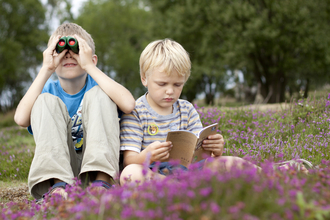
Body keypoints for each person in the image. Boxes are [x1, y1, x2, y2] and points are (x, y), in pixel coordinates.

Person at [119, 39, 312, 185]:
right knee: (129, 173)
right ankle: (178, 189)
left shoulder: (186, 109)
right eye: (162, 84)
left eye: (178, 84)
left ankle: (275, 174)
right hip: (154, 172)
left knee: (230, 161)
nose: (170, 91)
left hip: (190, 169)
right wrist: (148, 155)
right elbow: (129, 159)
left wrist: (215, 148)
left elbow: (200, 153)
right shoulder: (136, 111)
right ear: (144, 78)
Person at [14, 23, 135, 201]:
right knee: (43, 100)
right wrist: (46, 68)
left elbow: (128, 104)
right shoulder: (48, 90)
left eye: (77, 50)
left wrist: (90, 68)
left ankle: (102, 184)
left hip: (99, 168)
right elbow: (20, 119)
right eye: (60, 51)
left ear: (92, 59)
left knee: (100, 95)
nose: (68, 54)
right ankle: (58, 188)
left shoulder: (101, 87)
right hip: (63, 172)